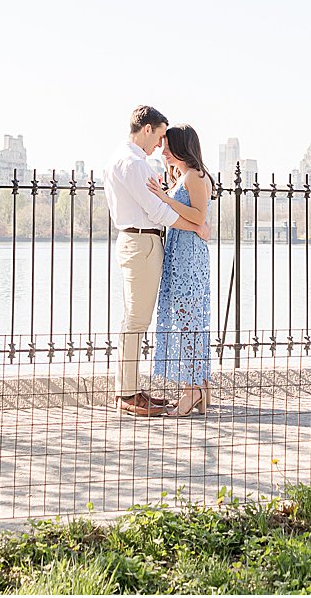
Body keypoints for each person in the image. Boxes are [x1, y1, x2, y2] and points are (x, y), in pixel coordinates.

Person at [103, 106, 210, 418]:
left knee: (138, 319)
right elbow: (157, 211)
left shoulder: (124, 159)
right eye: (160, 135)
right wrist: (196, 227)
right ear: (147, 129)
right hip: (142, 240)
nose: (160, 145)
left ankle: (132, 389)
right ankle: (128, 393)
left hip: (143, 241)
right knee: (137, 320)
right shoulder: (133, 162)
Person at [148, 123, 212, 417]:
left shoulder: (195, 176)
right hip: (179, 252)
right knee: (187, 321)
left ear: (182, 146)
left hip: (189, 256)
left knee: (189, 322)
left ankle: (192, 391)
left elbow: (199, 217)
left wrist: (165, 198)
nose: (163, 150)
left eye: (168, 146)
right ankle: (198, 386)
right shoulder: (180, 176)